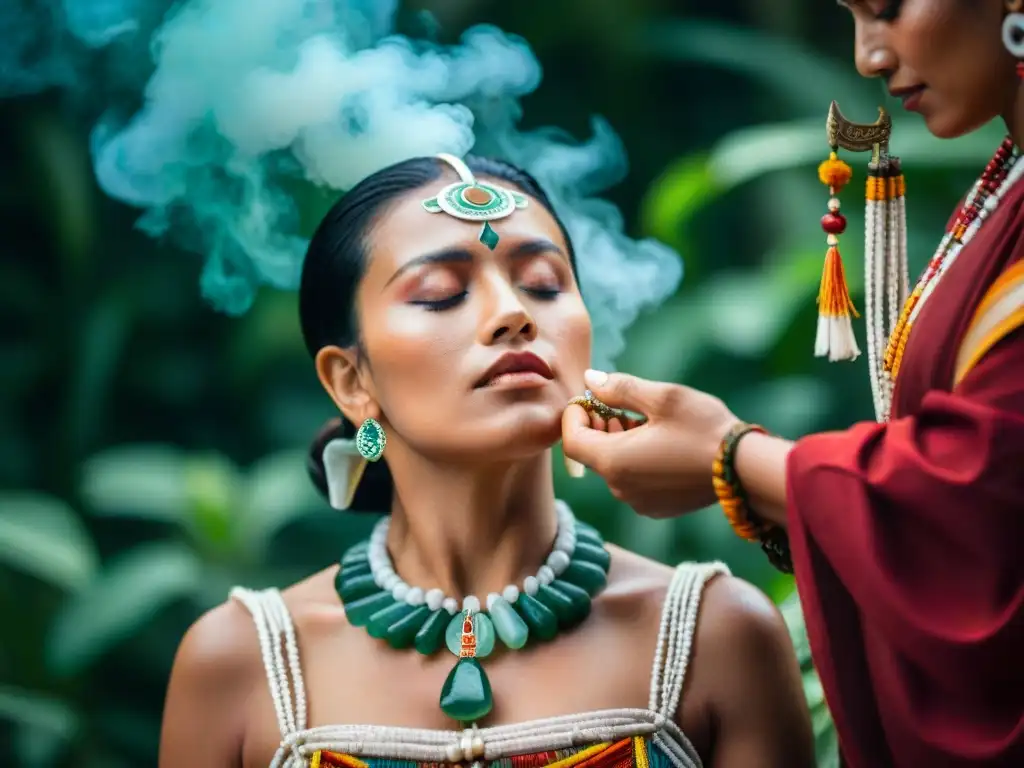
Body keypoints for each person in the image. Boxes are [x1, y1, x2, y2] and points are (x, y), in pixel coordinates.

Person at [157, 154, 815, 768]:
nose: (512, 313)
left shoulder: (716, 634)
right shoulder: (240, 660)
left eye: (544, 284)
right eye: (442, 293)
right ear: (352, 382)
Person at [561, 1, 1024, 767]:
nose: (869, 57)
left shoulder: (716, 631)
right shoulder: (1005, 184)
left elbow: (978, 503)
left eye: (885, 9)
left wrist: (733, 460)